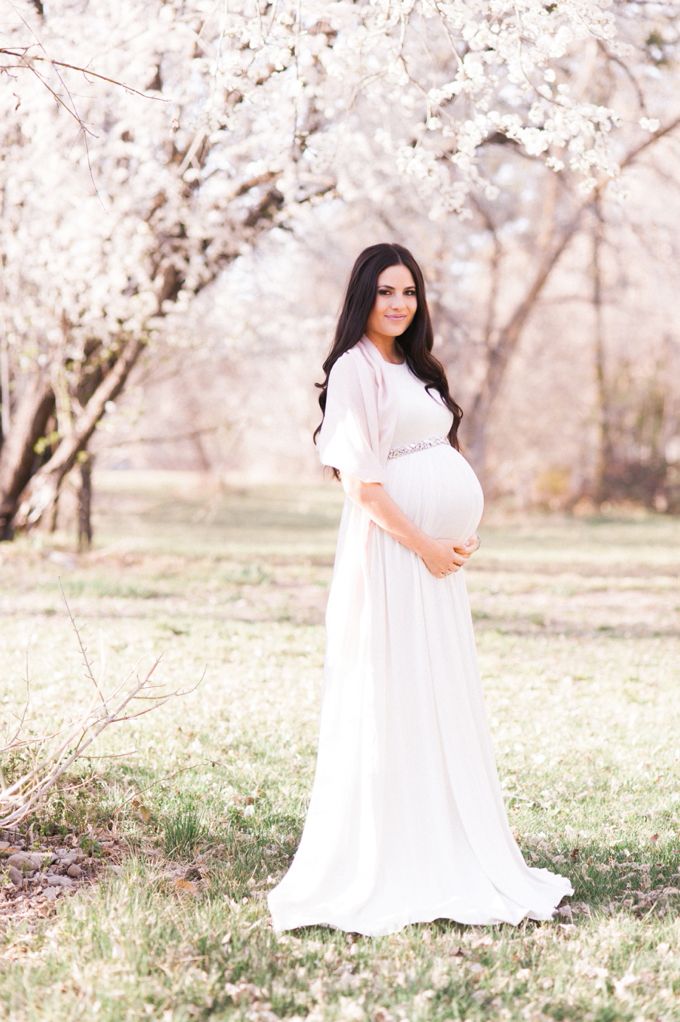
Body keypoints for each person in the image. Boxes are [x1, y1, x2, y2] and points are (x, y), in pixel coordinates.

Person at [267, 242, 574, 936]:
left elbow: (437, 452)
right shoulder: (354, 369)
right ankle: (397, 854)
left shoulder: (416, 367)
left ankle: (450, 835)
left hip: (435, 567)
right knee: (392, 691)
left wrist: (458, 524)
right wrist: (427, 541)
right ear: (362, 299)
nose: (399, 303)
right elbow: (361, 485)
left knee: (437, 693)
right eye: (385, 292)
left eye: (408, 291)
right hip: (395, 559)